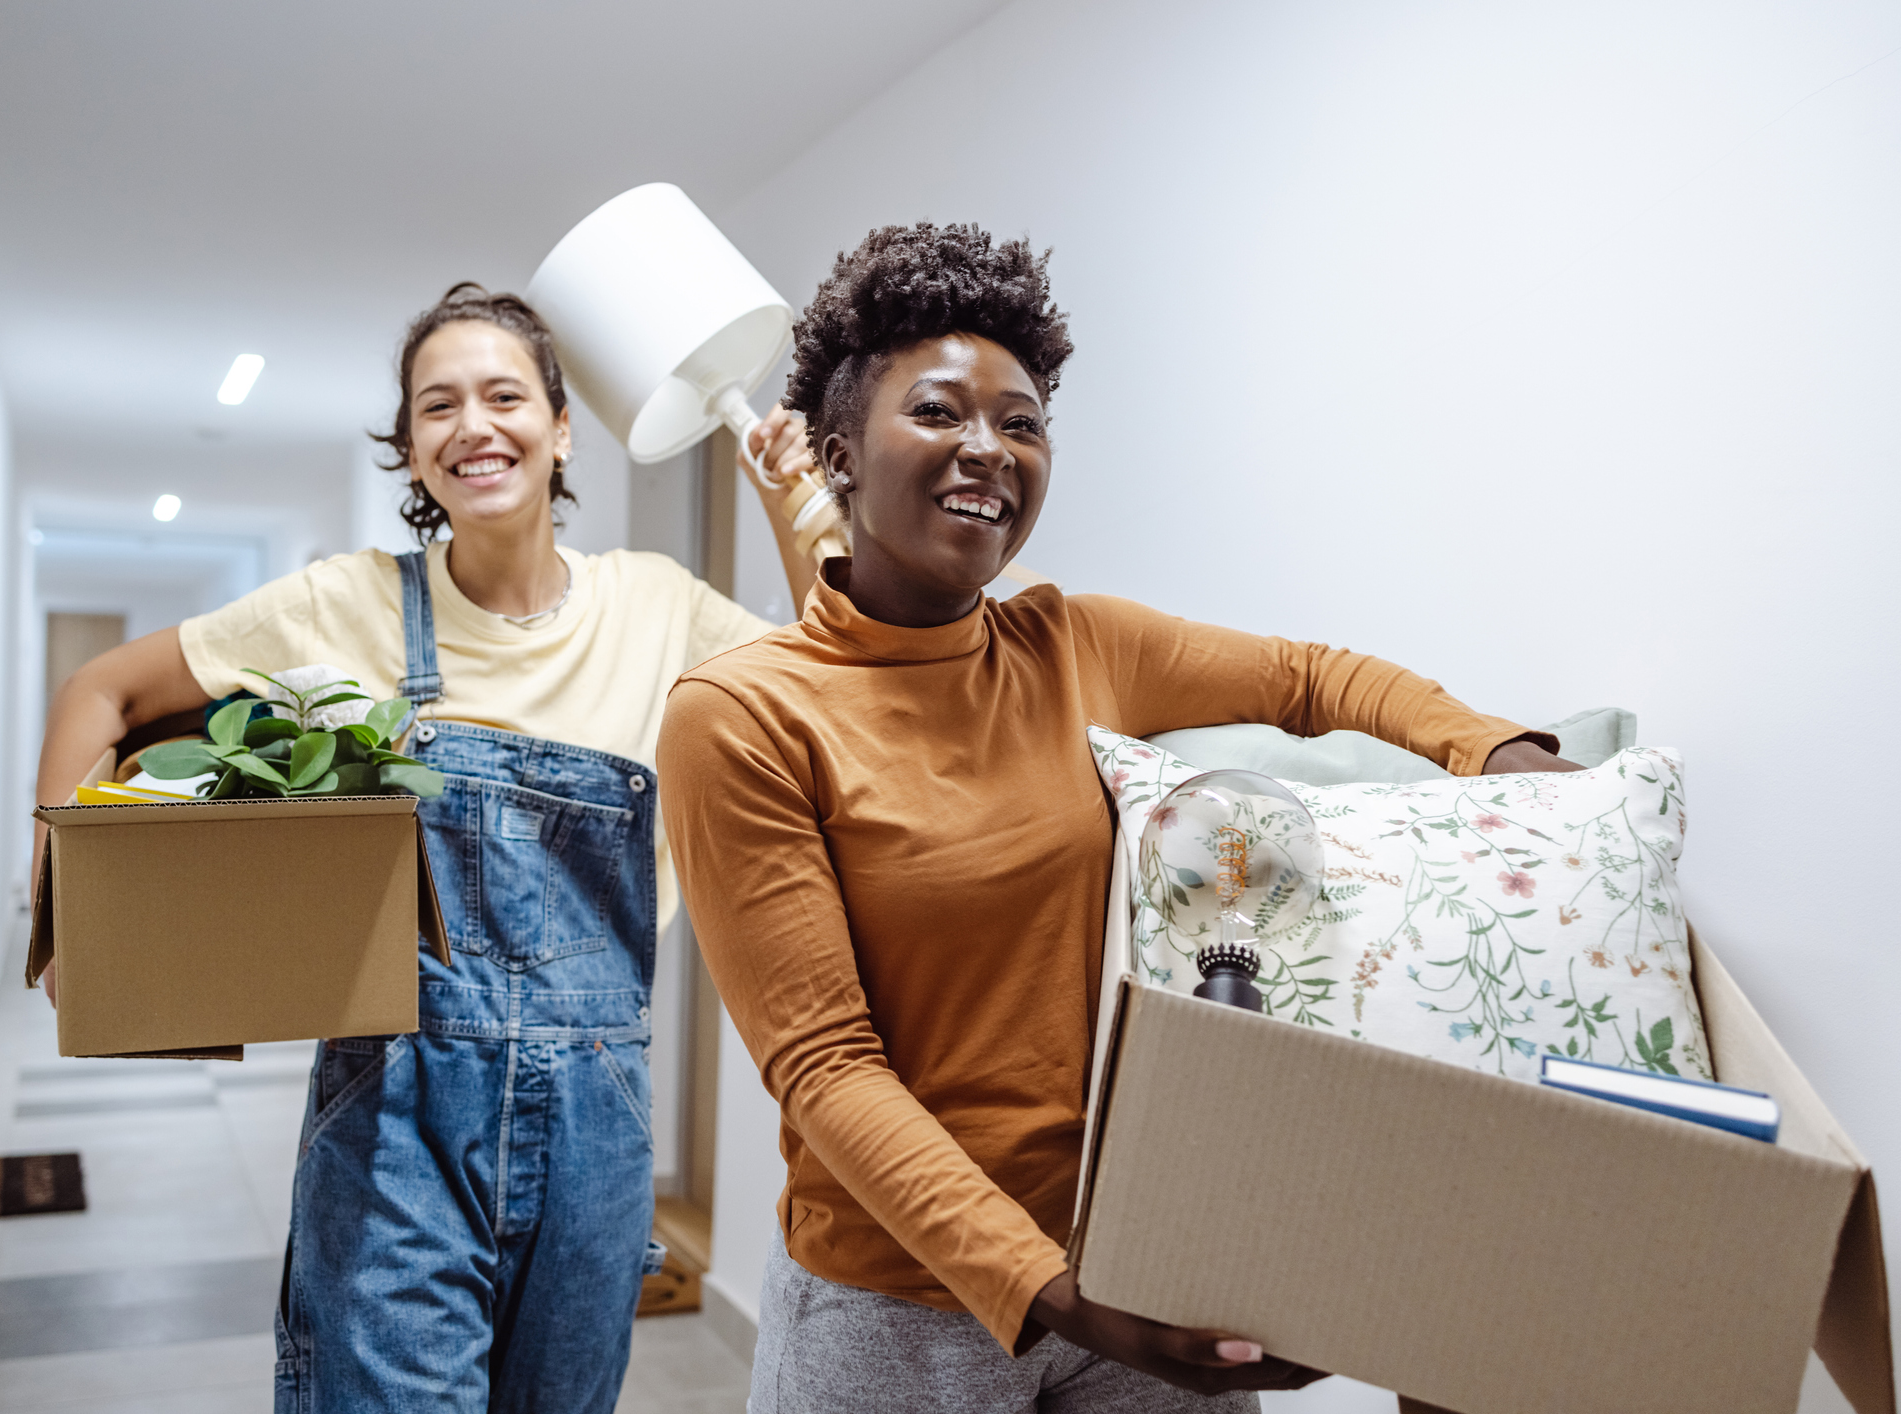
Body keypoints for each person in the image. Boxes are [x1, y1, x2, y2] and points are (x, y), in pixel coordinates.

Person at [656, 225, 1583, 1414]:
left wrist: (1496, 751)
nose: (987, 448)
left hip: (1143, 1255)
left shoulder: (1073, 645)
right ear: (835, 450)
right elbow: (826, 1069)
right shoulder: (742, 712)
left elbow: (1307, 676)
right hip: (896, 1310)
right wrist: (1055, 1292)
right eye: (938, 412)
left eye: (1023, 421)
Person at [31, 283, 819, 1412]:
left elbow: (830, 698)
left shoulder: (657, 607)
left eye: (503, 395)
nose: (472, 426)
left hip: (600, 1123)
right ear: (409, 450)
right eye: (435, 406)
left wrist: (793, 512)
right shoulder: (341, 603)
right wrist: (68, 892)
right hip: (396, 1109)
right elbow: (100, 690)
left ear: (559, 428)